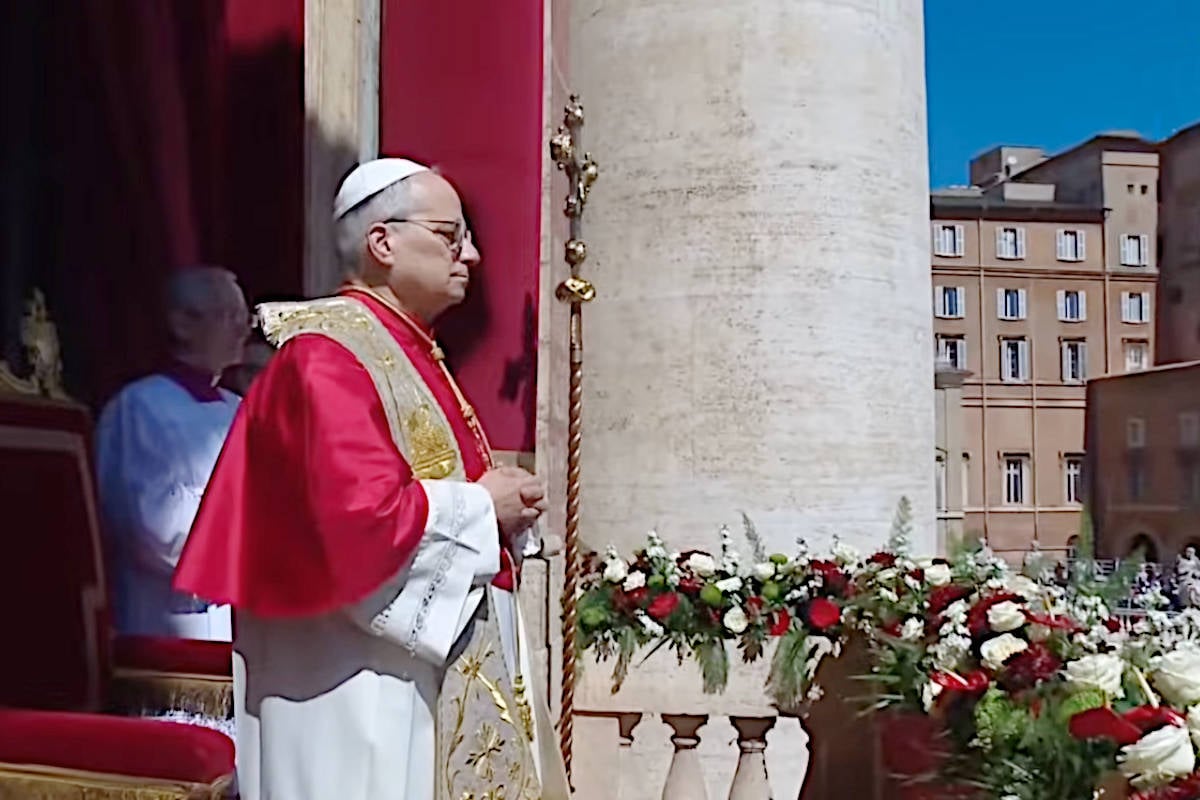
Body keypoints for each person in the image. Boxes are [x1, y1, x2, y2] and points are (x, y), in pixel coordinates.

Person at [174, 159, 570, 800]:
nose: (470, 254)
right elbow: (355, 523)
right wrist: (480, 506)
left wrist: (498, 505)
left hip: (399, 670)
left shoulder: (405, 350)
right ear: (382, 242)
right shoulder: (327, 358)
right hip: (352, 685)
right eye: (450, 235)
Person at [96, 266, 248, 640]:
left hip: (240, 619)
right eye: (229, 317)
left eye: (244, 319)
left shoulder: (241, 408)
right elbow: (156, 526)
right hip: (172, 620)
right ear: (182, 324)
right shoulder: (141, 406)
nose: (243, 331)